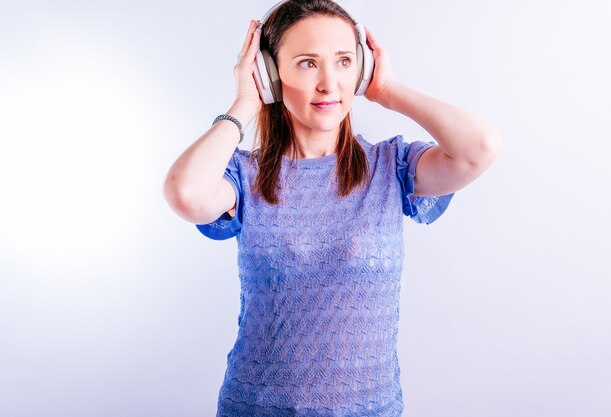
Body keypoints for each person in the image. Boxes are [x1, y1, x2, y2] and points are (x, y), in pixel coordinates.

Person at [163, 0, 501, 415]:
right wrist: (244, 105)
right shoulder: (244, 177)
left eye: (343, 62)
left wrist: (389, 92)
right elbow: (185, 193)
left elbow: (479, 148)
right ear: (270, 75)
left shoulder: (389, 166)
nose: (329, 83)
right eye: (307, 63)